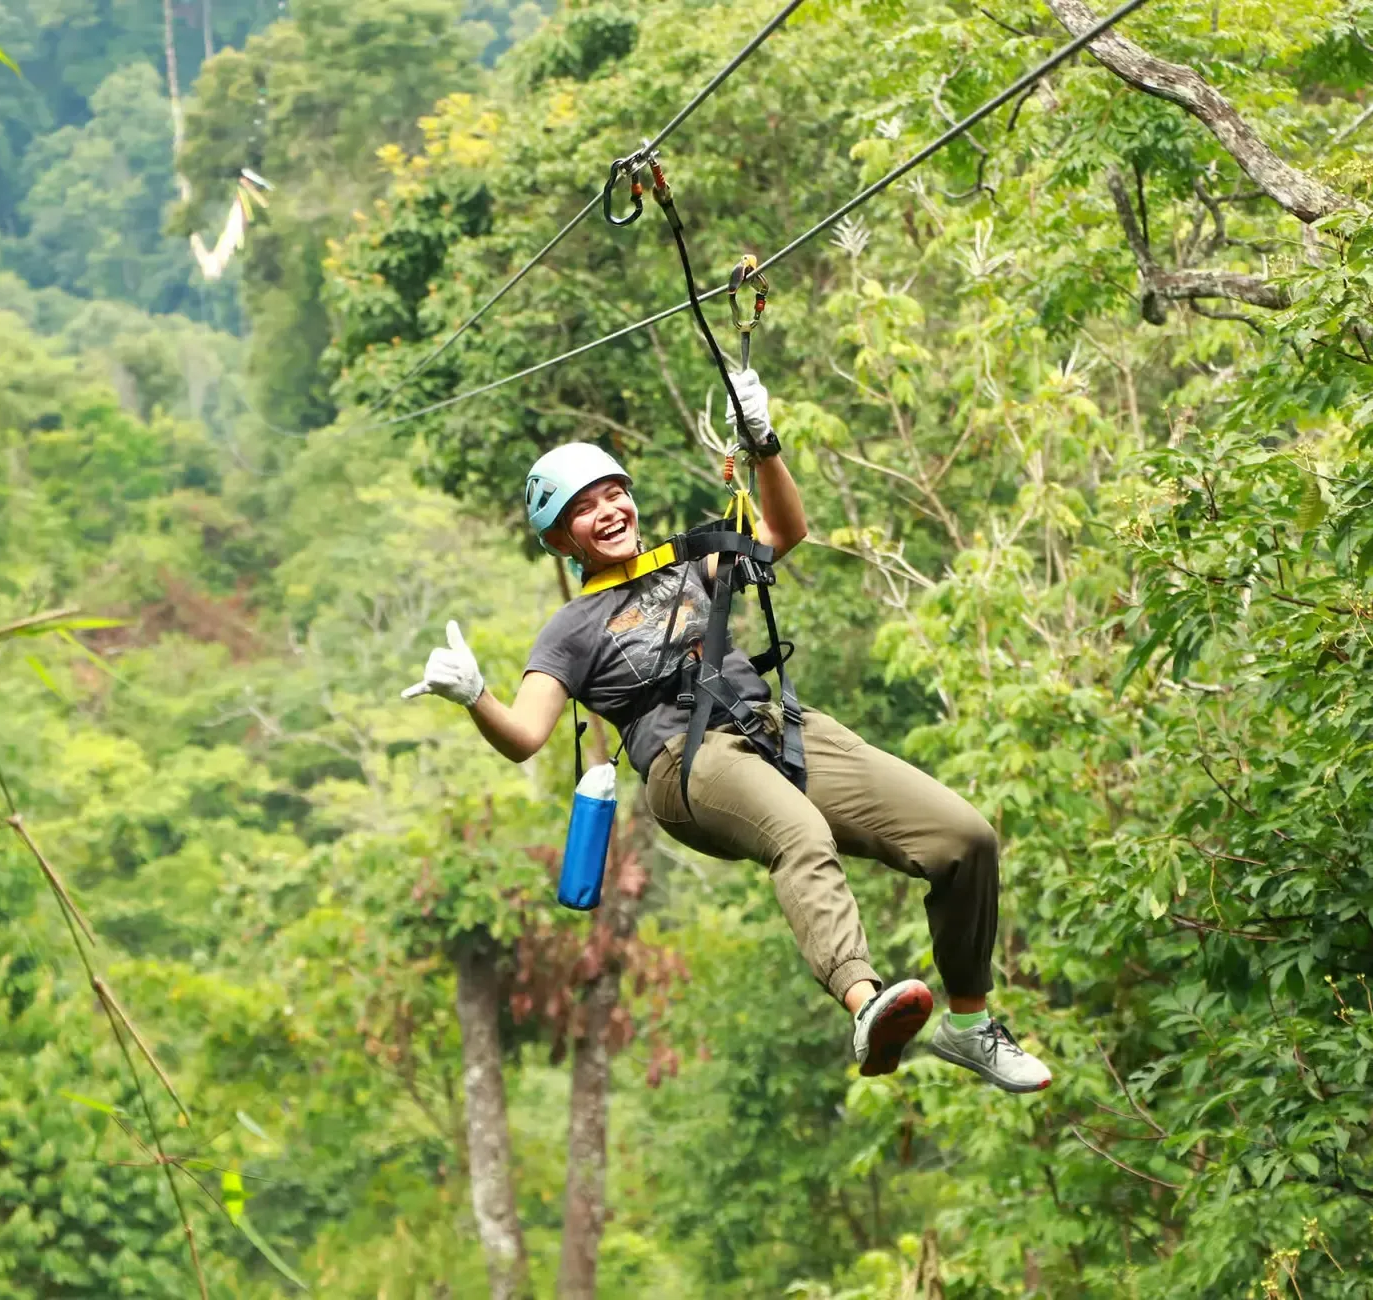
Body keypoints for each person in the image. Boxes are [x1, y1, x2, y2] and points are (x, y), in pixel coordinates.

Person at [403, 370, 1050, 1092]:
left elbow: (784, 532)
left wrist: (762, 442)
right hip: (688, 764)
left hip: (776, 731)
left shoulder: (690, 563)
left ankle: (969, 1025)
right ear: (561, 539)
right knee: (799, 833)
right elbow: (525, 734)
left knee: (964, 838)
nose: (609, 511)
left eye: (614, 492)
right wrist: (474, 695)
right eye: (584, 509)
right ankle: (867, 1006)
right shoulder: (570, 631)